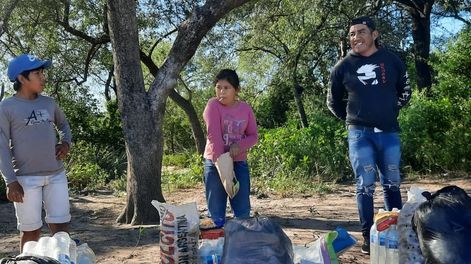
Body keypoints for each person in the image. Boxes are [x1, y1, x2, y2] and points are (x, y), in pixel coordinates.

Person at [326, 16, 412, 254]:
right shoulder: (342, 66)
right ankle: (367, 236)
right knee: (364, 186)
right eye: (352, 34)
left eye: (361, 32)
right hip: (359, 134)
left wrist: (391, 109)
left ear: (374, 34)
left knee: (392, 183)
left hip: (389, 132)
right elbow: (333, 101)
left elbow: (405, 90)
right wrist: (353, 119)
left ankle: (394, 233)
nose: (356, 37)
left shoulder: (392, 60)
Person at [0, 54, 72, 252]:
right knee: (31, 232)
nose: (43, 77)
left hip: (56, 175)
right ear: (22, 79)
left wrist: (65, 142)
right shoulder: (6, 107)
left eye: (43, 72)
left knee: (61, 231)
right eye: (37, 73)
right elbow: (2, 145)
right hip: (25, 180)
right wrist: (10, 181)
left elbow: (64, 125)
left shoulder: (49, 103)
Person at [202, 69, 258, 227]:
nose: (221, 91)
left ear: (236, 90)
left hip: (239, 164)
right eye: (218, 87)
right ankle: (216, 247)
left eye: (226, 88)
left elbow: (253, 136)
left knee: (242, 213)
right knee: (216, 214)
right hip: (215, 164)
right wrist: (224, 166)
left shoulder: (245, 109)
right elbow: (214, 136)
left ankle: (240, 247)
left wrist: (239, 146)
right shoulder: (213, 105)